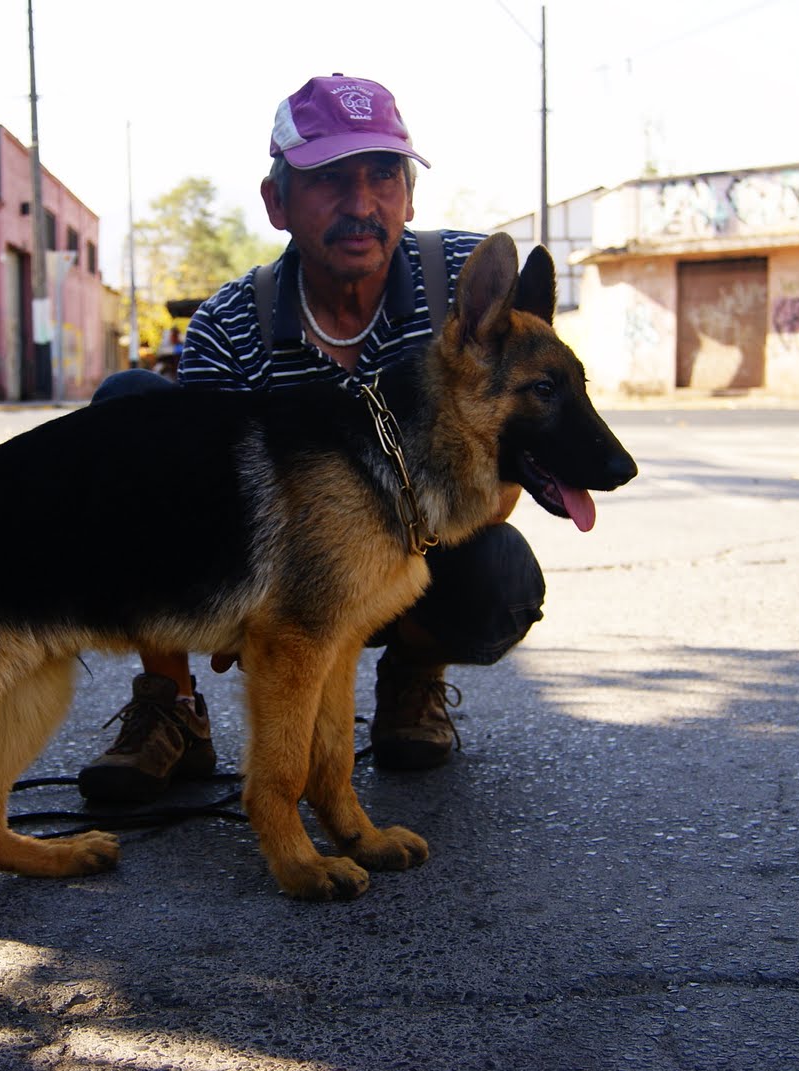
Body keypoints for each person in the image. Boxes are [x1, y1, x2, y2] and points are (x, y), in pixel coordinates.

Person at [77, 74, 546, 804]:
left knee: (498, 572)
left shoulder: (467, 278)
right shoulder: (229, 326)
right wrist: (256, 614)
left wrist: (371, 549)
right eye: (330, 179)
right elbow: (202, 517)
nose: (362, 205)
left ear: (409, 194)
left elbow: (522, 440)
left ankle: (411, 675)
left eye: (384, 175)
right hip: (273, 579)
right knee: (126, 411)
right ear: (277, 203)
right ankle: (171, 701)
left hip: (416, 562)